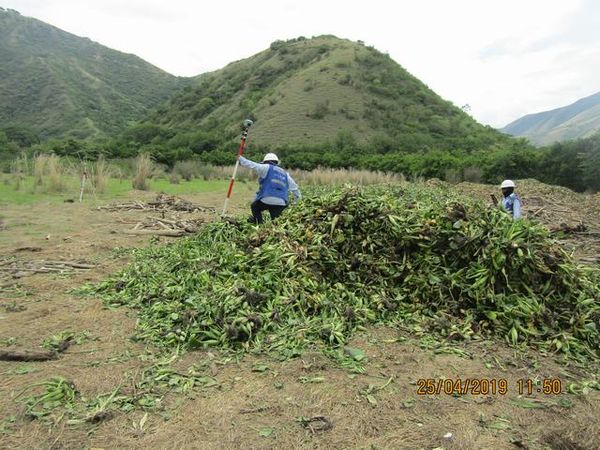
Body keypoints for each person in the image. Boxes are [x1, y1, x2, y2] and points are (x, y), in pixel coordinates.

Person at [238, 152, 301, 224]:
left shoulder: (266, 167)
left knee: (254, 207)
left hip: (267, 199)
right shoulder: (285, 174)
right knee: (276, 222)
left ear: (265, 162)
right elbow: (295, 189)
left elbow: (252, 165)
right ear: (277, 162)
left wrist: (240, 159)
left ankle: (259, 223)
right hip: (281, 203)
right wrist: (296, 203)